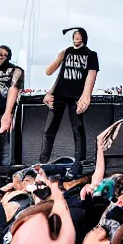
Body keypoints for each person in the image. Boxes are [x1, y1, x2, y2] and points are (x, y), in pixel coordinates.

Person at [39, 27, 99, 163]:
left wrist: (86, 96)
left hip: (76, 96)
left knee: (77, 128)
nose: (77, 37)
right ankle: (43, 162)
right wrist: (50, 92)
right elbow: (52, 72)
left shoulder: (91, 54)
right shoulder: (66, 52)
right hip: (59, 94)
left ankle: (79, 162)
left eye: (79, 35)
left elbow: (91, 75)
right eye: (74, 35)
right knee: (49, 128)